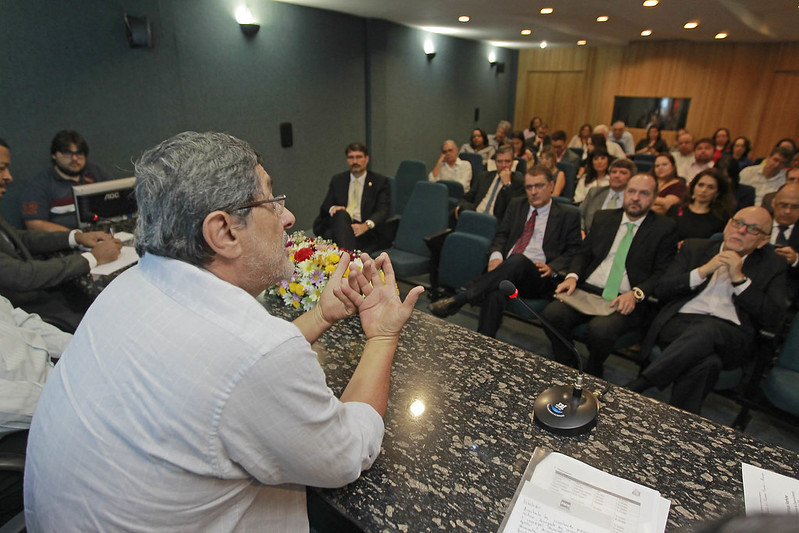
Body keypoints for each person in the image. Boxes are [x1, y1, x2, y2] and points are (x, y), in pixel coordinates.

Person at [24, 131, 424, 531]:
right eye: (271, 201)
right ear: (224, 232)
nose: (288, 217)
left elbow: (224, 371)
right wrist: (382, 336)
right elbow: (346, 453)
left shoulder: (126, 287)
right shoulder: (255, 353)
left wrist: (320, 315)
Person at [629, 207, 786, 414]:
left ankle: (639, 385)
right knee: (708, 362)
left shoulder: (774, 265)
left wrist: (740, 280)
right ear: (728, 225)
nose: (741, 231)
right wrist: (702, 272)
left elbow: (773, 317)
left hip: (733, 337)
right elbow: (661, 289)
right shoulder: (695, 247)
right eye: (738, 223)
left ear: (763, 241)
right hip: (680, 325)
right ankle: (679, 420)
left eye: (752, 229)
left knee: (709, 329)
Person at [541, 174, 678, 377]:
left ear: (654, 197)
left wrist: (637, 293)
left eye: (644, 193)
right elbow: (584, 253)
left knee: (600, 330)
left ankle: (593, 370)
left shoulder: (664, 228)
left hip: (625, 298)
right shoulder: (604, 217)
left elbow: (663, 272)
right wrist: (572, 277)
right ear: (624, 193)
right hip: (588, 290)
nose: (635, 198)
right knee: (552, 314)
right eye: (631, 191)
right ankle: (568, 362)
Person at [429, 166, 581, 337]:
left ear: (551, 186)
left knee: (518, 260)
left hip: (538, 276)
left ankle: (462, 297)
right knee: (495, 292)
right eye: (529, 187)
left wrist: (553, 267)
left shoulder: (568, 215)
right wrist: (496, 256)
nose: (533, 192)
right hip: (507, 271)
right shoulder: (517, 205)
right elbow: (502, 235)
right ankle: (483, 341)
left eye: (539, 186)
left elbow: (574, 250)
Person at [0, 138, 121, 332]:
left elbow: (20, 238)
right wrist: (93, 258)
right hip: (27, 310)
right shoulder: (41, 184)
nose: (8, 177)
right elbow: (21, 276)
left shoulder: (96, 172)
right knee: (109, 321)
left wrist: (76, 237)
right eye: (1, 168)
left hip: (41, 292)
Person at [0, 294, 71, 524]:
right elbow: (13, 405)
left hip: (53, 381)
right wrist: (72, 390)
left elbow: (20, 320)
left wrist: (79, 348)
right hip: (25, 423)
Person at [21, 130, 115, 232]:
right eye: (67, 153)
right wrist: (75, 236)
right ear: (54, 155)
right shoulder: (39, 184)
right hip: (66, 238)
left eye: (79, 153)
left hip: (101, 232)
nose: (75, 158)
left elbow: (117, 200)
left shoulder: (96, 172)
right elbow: (34, 224)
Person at [313, 142, 391, 253]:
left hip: (363, 228)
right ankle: (348, 257)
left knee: (332, 236)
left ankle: (343, 257)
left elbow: (383, 211)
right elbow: (325, 206)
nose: (355, 161)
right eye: (351, 157)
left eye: (359, 157)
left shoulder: (379, 181)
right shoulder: (338, 180)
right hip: (342, 222)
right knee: (340, 215)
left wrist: (366, 225)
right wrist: (333, 208)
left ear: (366, 159)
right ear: (347, 160)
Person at [453, 146, 524, 223]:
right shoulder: (484, 176)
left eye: (507, 161)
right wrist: (460, 205)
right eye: (499, 161)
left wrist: (507, 185)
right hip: (476, 215)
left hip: (495, 222)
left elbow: (514, 209)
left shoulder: (519, 182)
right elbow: (468, 197)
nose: (503, 165)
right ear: (495, 162)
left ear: (512, 163)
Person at [667, 168, 735, 241]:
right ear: (693, 187)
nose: (704, 190)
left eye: (710, 187)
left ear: (717, 193)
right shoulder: (675, 209)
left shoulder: (721, 218)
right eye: (701, 185)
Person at [580, 159, 637, 233]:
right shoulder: (594, 192)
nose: (617, 176)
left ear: (632, 178)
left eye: (623, 173)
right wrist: (581, 230)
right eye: (614, 172)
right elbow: (580, 214)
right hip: (588, 235)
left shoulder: (634, 199)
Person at [769, 183, 799, 306]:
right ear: (773, 203)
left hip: (790, 292)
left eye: (795, 207)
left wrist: (796, 260)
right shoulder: (757, 222)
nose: (788, 211)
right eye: (783, 205)